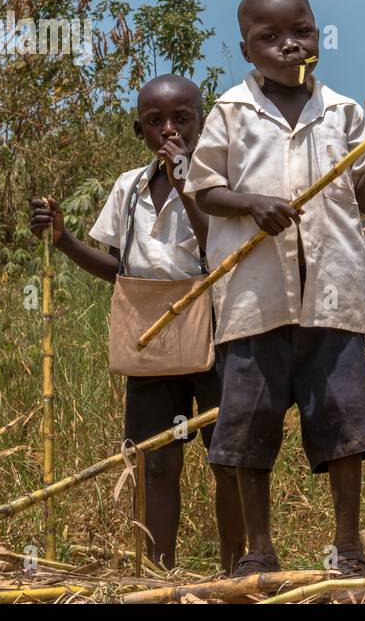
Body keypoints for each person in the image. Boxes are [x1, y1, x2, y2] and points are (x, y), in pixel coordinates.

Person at [185, 0, 365, 578]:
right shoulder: (231, 111)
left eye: (300, 31)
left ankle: (348, 548)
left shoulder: (341, 111)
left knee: (345, 426)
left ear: (318, 35)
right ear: (245, 48)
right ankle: (258, 549)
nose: (288, 44)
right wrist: (251, 203)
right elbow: (204, 189)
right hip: (257, 302)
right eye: (269, 36)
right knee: (249, 429)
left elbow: (364, 197)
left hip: (330, 302)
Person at [29, 74, 245, 572]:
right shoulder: (129, 189)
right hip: (151, 341)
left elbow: (217, 246)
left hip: (216, 334)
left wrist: (188, 179)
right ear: (139, 130)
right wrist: (63, 241)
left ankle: (237, 570)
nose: (169, 129)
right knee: (156, 461)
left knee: (228, 459)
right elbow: (119, 271)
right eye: (155, 122)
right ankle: (157, 569)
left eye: (181, 119)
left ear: (202, 121)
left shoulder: (221, 183)